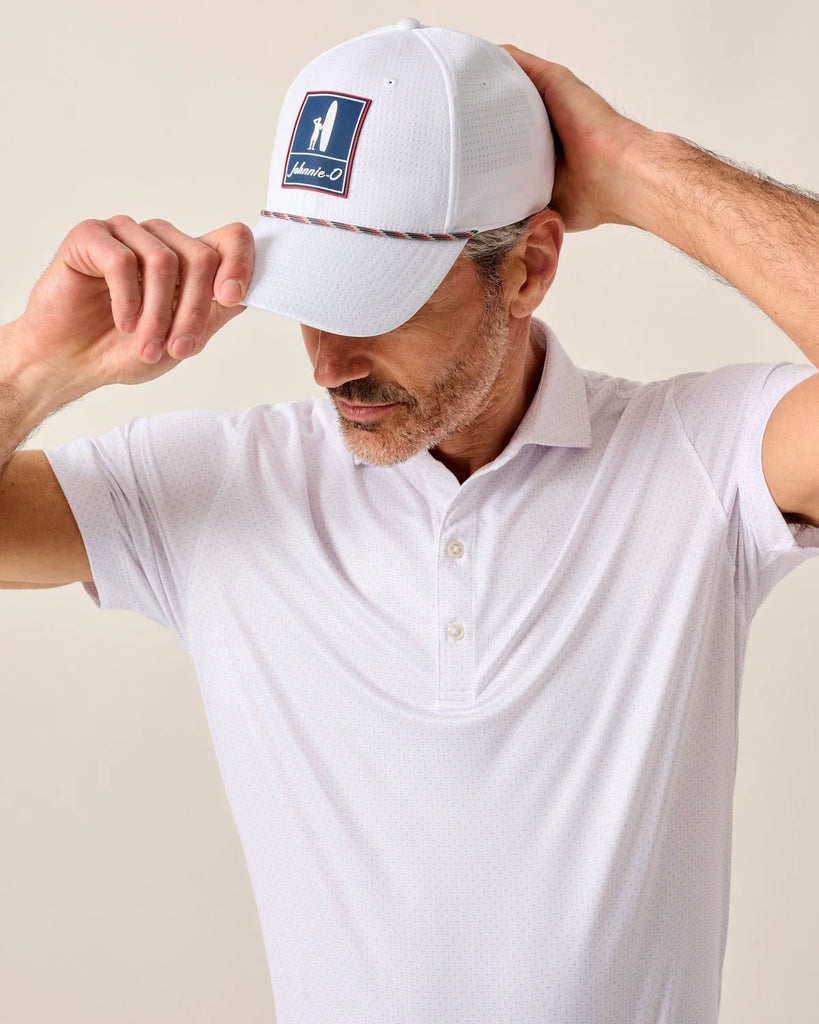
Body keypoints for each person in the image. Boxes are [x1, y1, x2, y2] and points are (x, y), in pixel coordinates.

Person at [2, 17, 818, 1024]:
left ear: (526, 268)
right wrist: (34, 361)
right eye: (307, 292)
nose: (331, 356)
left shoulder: (701, 459)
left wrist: (636, 165)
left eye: (375, 299)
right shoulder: (219, 484)